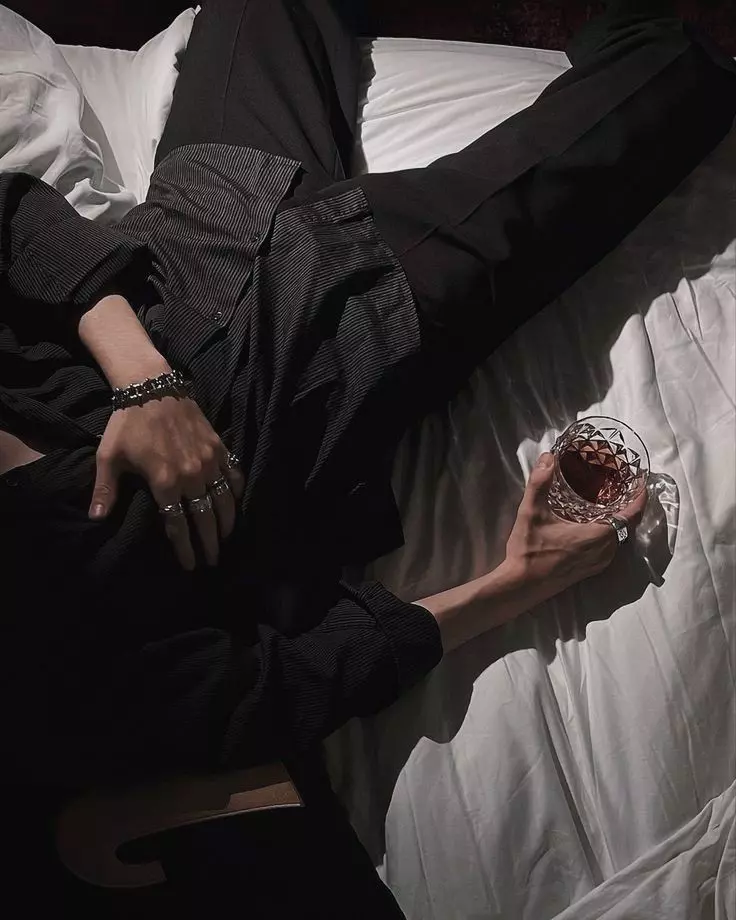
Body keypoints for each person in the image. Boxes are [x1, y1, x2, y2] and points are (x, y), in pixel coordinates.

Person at [1, 0, 734, 915]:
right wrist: (519, 581)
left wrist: (143, 378)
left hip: (196, 236)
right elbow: (282, 687)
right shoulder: (44, 701)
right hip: (338, 331)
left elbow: (12, 216)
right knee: (674, 78)